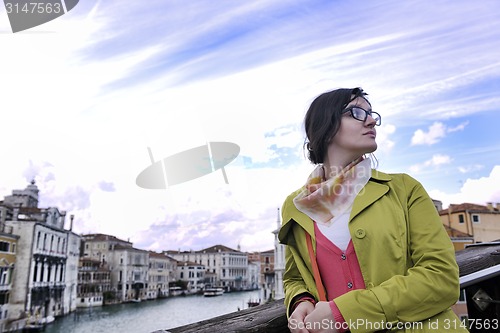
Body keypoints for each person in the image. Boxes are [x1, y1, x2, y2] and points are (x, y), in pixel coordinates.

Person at [278, 88, 468, 333]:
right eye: (356, 112)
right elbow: (295, 277)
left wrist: (343, 314)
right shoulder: (296, 206)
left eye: (371, 114)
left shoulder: (404, 189)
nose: (371, 120)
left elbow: (441, 278)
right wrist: (300, 300)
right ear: (324, 125)